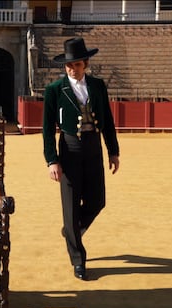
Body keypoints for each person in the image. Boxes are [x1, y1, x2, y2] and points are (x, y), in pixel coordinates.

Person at [42, 37, 120, 280]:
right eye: (68, 65)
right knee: (71, 206)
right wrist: (52, 160)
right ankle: (78, 259)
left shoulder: (97, 86)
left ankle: (71, 232)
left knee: (97, 201)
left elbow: (107, 119)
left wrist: (113, 150)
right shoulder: (54, 90)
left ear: (85, 64)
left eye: (76, 65)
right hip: (70, 149)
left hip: (94, 148)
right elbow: (47, 128)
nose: (72, 69)